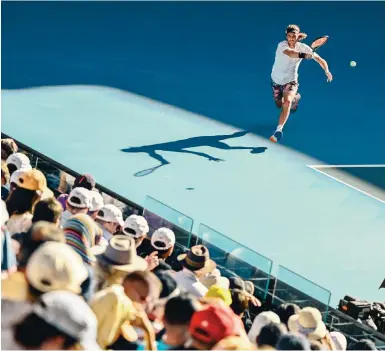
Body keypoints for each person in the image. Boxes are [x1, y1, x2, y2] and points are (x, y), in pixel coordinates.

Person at [270, 24, 333, 143]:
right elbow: (290, 53)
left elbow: (320, 60)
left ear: (298, 36)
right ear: (286, 36)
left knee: (287, 102)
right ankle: (296, 98)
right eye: (289, 36)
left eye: (294, 36)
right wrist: (304, 55)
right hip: (276, 80)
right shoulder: (282, 45)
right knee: (279, 104)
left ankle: (278, 130)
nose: (291, 38)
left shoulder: (304, 47)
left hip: (291, 81)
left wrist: (327, 70)